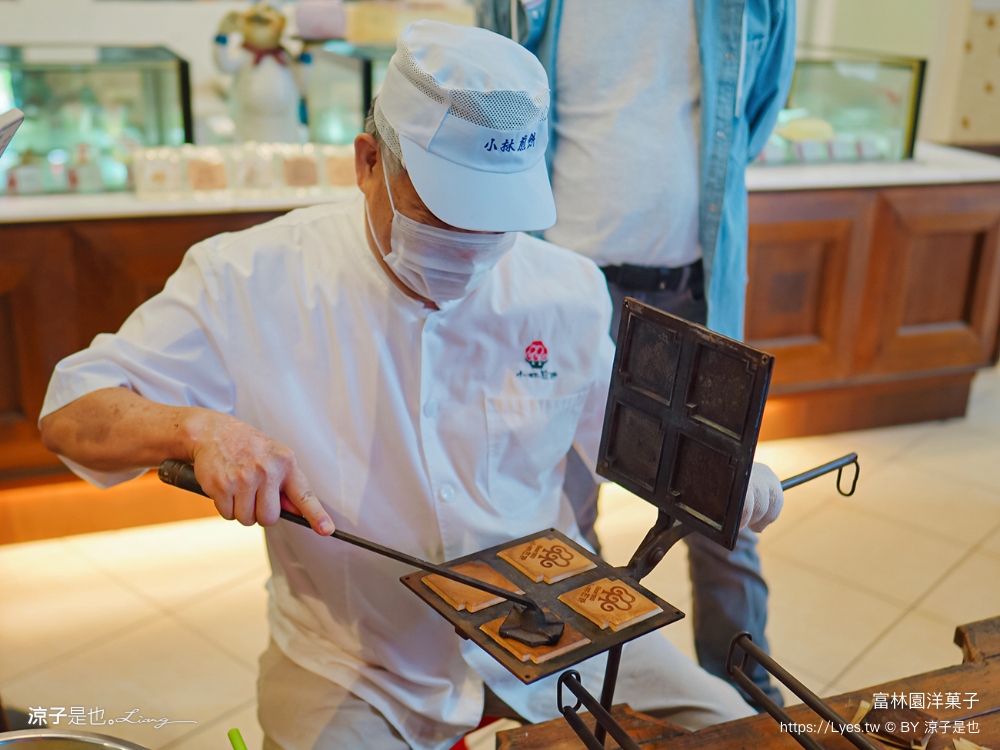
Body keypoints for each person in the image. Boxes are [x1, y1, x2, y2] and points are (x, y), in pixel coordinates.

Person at [38, 21, 783, 750]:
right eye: (442, 217)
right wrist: (198, 430)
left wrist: (722, 472)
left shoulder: (565, 288)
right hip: (360, 662)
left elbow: (621, 438)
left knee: (739, 734)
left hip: (557, 621)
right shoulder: (249, 276)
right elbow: (73, 409)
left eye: (497, 224)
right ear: (367, 162)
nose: (470, 251)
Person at [476, 0, 797, 706]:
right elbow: (494, 106)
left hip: (692, 286)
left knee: (723, 509)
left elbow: (758, 110)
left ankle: (747, 700)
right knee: (561, 507)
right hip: (559, 285)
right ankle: (577, 691)